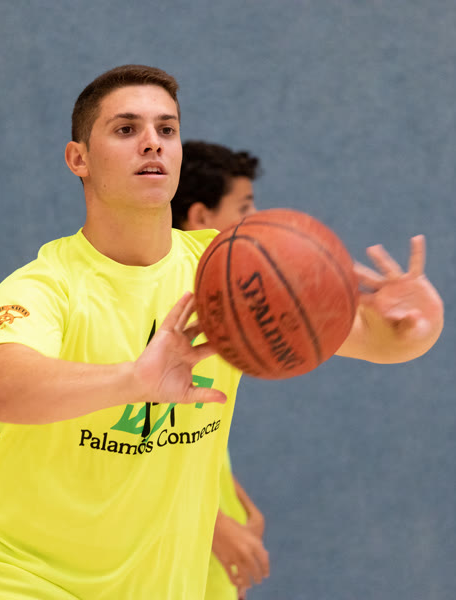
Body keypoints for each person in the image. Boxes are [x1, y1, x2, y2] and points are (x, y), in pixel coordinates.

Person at [0, 64, 444, 600]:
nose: (152, 143)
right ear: (79, 159)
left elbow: (378, 340)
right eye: (126, 129)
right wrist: (134, 380)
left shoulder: (227, 270)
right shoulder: (45, 285)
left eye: (166, 129)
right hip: (24, 584)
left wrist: (416, 325)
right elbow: (3, 389)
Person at [172, 140, 267, 600]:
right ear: (201, 218)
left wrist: (238, 505)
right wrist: (213, 525)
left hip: (212, 533)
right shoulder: (166, 314)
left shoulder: (224, 304)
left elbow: (194, 442)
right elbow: (123, 446)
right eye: (244, 208)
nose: (256, 219)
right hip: (171, 543)